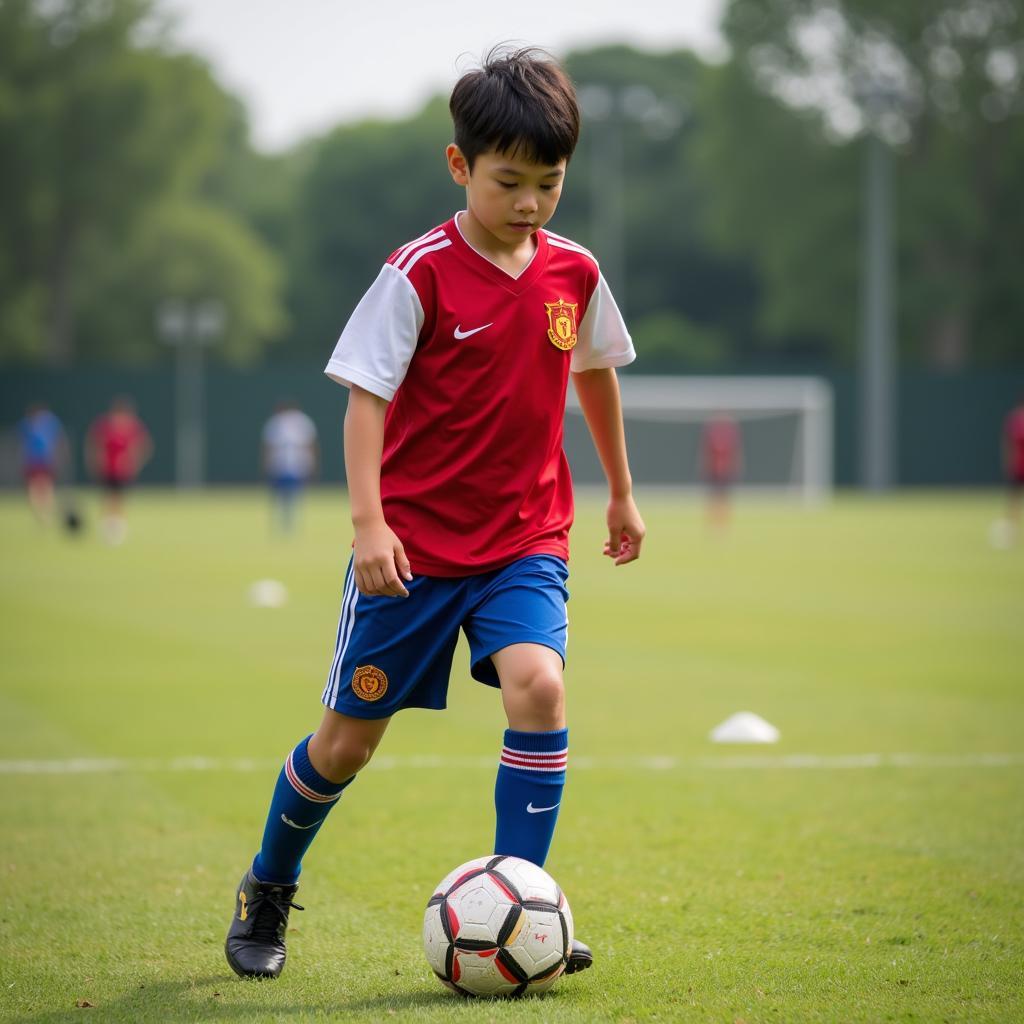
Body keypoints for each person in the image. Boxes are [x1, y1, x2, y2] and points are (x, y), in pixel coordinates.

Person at [225, 47, 645, 982]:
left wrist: (618, 488)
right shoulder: (417, 273)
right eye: (509, 182)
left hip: (524, 539)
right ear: (460, 167)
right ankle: (268, 883)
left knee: (540, 685)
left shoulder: (573, 272)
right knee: (345, 746)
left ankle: (526, 907)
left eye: (549, 183)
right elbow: (365, 398)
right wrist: (368, 526)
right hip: (411, 552)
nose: (530, 203)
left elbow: (595, 373)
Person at [86, 396, 152, 544]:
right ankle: (107, 526)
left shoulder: (133, 427)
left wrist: (133, 461)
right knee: (107, 497)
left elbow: (143, 446)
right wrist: (97, 461)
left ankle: (118, 528)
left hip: (123, 471)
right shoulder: (105, 426)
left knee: (120, 498)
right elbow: (96, 445)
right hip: (107, 469)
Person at [262, 401, 319, 534]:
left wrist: (311, 464)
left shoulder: (302, 422)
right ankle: (283, 523)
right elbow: (268, 447)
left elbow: (310, 445)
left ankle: (289, 524)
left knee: (293, 496)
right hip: (280, 466)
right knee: (281, 496)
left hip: (296, 466)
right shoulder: (276, 423)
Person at [17, 403, 67, 525]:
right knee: (34, 487)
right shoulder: (26, 425)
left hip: (46, 461)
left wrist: (59, 456)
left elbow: (58, 440)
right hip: (33, 462)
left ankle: (46, 512)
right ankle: (40, 513)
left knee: (46, 486)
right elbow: (23, 444)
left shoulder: (50, 423)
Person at [700, 411, 742, 530]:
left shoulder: (730, 432)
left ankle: (723, 523)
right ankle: (713, 523)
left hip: (726, 470)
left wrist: (734, 466)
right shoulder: (711, 433)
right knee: (713, 497)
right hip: (713, 470)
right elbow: (706, 452)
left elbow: (735, 452)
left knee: (725, 497)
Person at [1004, 394, 1024, 537]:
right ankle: (1011, 528)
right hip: (1018, 466)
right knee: (1013, 499)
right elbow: (1009, 443)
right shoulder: (1015, 420)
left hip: (1017, 465)